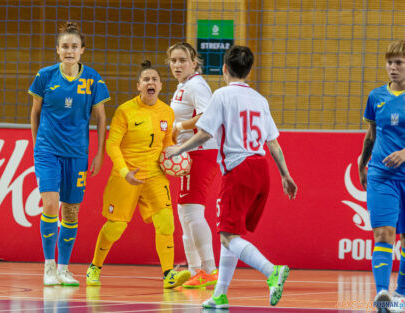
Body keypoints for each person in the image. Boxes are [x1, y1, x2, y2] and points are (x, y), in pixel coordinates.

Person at [166, 45, 298, 309]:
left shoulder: (221, 95)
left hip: (238, 171)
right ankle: (220, 294)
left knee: (227, 236)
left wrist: (178, 149)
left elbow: (205, 134)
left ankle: (271, 271)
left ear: (225, 69)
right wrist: (286, 174)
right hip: (262, 170)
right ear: (249, 71)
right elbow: (273, 143)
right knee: (231, 231)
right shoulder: (261, 99)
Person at [85, 60, 191, 289]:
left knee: (166, 223)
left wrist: (177, 159)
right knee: (116, 227)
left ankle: (168, 274)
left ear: (161, 86)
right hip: (127, 175)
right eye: (146, 80)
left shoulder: (167, 112)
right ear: (138, 86)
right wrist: (125, 172)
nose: (150, 83)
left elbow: (167, 143)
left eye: (154, 79)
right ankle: (94, 266)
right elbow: (112, 144)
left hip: (154, 175)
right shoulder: (126, 110)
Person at [29, 21, 109, 286]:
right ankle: (49, 267)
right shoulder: (45, 76)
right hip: (48, 150)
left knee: (71, 212)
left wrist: (99, 153)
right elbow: (35, 112)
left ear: (82, 50)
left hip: (77, 154)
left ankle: (64, 268)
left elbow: (100, 116)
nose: (69, 51)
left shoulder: (93, 79)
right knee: (51, 203)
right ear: (58, 50)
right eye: (65, 46)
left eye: (74, 46)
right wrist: (36, 145)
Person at [166, 42, 219, 288]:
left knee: (191, 212)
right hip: (190, 153)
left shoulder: (197, 85)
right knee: (184, 213)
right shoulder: (183, 86)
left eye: (182, 60)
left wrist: (179, 127)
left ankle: (209, 269)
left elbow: (208, 116)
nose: (177, 65)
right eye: (173, 61)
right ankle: (195, 269)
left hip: (200, 151)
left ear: (194, 62)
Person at [358, 39, 405, 313]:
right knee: (383, 233)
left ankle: (401, 294)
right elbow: (372, 134)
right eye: (390, 63)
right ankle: (383, 294)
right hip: (382, 175)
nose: (393, 68)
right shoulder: (376, 96)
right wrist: (363, 162)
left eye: (398, 63)